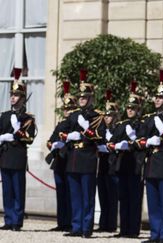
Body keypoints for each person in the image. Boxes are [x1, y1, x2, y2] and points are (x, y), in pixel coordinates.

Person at [60, 70, 103, 238]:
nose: (81, 100)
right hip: (73, 159)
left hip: (87, 158)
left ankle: (87, 227)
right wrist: (69, 136)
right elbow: (62, 131)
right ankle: (76, 226)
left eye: (85, 97)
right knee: (75, 196)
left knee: (87, 196)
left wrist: (86, 131)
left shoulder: (96, 116)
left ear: (91, 98)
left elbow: (101, 136)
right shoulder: (74, 115)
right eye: (80, 97)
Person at [141, 76, 163, 243]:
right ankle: (155, 234)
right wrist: (147, 141)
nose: (157, 99)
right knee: (153, 202)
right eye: (156, 97)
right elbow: (140, 139)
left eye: (161, 97)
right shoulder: (149, 118)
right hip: (151, 162)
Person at [107, 81, 145, 238]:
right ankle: (123, 229)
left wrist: (130, 143)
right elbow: (111, 143)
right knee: (123, 198)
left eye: (133, 108)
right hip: (122, 165)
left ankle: (133, 230)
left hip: (135, 165)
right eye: (128, 108)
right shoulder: (121, 125)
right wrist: (116, 146)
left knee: (135, 199)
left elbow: (143, 142)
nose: (130, 110)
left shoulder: (142, 125)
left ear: (138, 110)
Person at [0, 68, 36, 231]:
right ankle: (8, 219)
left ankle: (17, 221)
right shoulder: (5, 115)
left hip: (18, 155)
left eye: (15, 95)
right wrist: (3, 137)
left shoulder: (27, 118)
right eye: (11, 95)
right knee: (7, 191)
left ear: (22, 98)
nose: (12, 98)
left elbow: (29, 138)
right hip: (5, 155)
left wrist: (16, 132)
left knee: (18, 190)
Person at [45, 81, 76, 232]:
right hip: (59, 161)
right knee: (61, 194)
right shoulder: (60, 124)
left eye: (70, 108)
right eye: (65, 109)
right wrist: (53, 144)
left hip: (70, 160)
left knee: (71, 194)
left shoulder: (74, 125)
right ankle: (62, 221)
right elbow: (50, 139)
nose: (67, 111)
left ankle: (70, 222)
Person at [95, 90, 119, 233]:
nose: (107, 118)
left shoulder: (118, 129)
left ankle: (111, 224)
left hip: (113, 167)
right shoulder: (102, 131)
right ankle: (103, 223)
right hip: (103, 166)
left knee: (112, 196)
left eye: (110, 115)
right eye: (106, 115)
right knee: (103, 195)